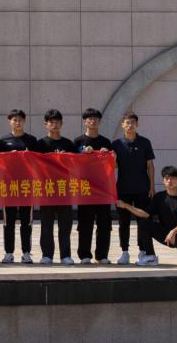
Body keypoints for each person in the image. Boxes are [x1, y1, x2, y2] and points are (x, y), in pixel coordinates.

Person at [116, 166, 177, 266]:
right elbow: (145, 214)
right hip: (165, 235)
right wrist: (126, 206)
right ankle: (151, 256)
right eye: (166, 178)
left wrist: (173, 231)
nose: (169, 181)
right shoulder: (159, 197)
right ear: (163, 181)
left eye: (172, 178)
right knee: (143, 222)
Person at [111, 112, 156, 265]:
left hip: (142, 188)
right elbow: (113, 166)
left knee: (142, 221)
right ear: (122, 125)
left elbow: (150, 166)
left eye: (132, 122)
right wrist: (113, 159)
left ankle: (143, 251)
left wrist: (152, 186)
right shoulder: (116, 144)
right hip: (123, 188)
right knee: (123, 222)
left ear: (137, 125)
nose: (130, 125)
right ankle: (124, 252)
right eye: (127, 123)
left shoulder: (145, 142)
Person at [35, 109, 76, 265]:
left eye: (57, 122)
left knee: (65, 225)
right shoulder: (40, 144)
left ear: (62, 123)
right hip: (47, 190)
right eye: (51, 122)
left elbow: (77, 164)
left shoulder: (68, 144)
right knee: (46, 225)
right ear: (46, 124)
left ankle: (65, 255)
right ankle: (47, 255)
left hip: (64, 189)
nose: (54, 125)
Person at [0, 109, 37, 263]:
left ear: (24, 121)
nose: (17, 123)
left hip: (27, 185)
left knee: (26, 221)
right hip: (9, 185)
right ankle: (9, 252)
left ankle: (26, 252)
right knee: (9, 221)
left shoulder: (31, 140)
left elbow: (38, 162)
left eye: (20, 120)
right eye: (14, 120)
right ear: (10, 122)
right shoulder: (3, 141)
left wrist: (28, 156)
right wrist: (9, 157)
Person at [74, 108, 113, 264]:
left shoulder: (106, 142)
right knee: (85, 223)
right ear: (85, 122)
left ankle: (102, 255)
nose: (93, 121)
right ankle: (84, 255)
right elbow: (71, 163)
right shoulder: (77, 142)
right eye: (89, 119)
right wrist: (83, 154)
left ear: (99, 121)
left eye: (96, 119)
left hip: (102, 188)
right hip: (84, 188)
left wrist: (106, 155)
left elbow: (113, 164)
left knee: (104, 223)